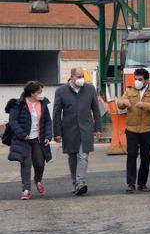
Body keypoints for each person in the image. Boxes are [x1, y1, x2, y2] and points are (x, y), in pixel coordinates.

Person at [53, 67, 102, 196]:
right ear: (72, 76)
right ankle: (75, 183)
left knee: (83, 156)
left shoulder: (90, 89)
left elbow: (96, 110)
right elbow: (57, 113)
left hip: (86, 129)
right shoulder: (61, 91)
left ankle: (81, 182)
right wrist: (56, 132)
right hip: (69, 130)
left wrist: (98, 128)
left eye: (83, 76)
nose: (81, 79)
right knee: (72, 156)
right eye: (79, 76)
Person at [8, 81, 53, 200]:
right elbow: (13, 121)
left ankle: (38, 180)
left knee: (39, 163)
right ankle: (26, 189)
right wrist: (22, 134)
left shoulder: (42, 104)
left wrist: (48, 136)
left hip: (38, 139)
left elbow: (48, 121)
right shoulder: (18, 104)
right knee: (26, 164)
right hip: (24, 140)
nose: (41, 94)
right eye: (39, 91)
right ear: (32, 93)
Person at [117, 68, 150, 193]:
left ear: (146, 80)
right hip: (131, 129)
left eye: (140, 79)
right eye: (135, 79)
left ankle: (142, 183)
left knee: (146, 156)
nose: (137, 81)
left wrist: (144, 105)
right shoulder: (129, 90)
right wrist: (124, 102)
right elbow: (119, 103)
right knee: (131, 154)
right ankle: (130, 183)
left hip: (147, 129)